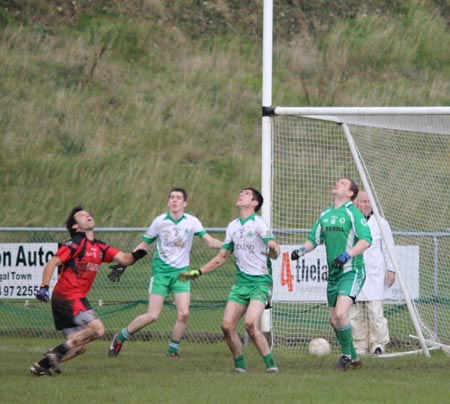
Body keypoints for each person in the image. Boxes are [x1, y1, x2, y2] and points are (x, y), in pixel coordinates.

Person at [30, 205, 147, 376]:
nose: (87, 215)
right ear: (75, 226)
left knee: (79, 347)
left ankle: (41, 366)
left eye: (88, 214)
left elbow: (124, 258)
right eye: (81, 215)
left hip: (70, 298)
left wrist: (140, 250)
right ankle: (54, 353)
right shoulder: (75, 243)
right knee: (98, 330)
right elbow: (53, 262)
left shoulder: (99, 246)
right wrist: (44, 287)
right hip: (68, 296)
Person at [109, 187, 222, 358]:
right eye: (172, 197)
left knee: (184, 313)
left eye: (178, 198)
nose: (174, 200)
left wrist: (229, 244)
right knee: (153, 315)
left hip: (183, 274)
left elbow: (210, 241)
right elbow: (144, 245)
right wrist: (126, 261)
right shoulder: (159, 221)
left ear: (185, 203)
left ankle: (172, 351)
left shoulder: (191, 222)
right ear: (168, 202)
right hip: (161, 273)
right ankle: (121, 337)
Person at [179, 187, 281, 373]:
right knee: (226, 327)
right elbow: (221, 257)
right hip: (241, 284)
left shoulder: (258, 223)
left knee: (250, 324)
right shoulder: (233, 226)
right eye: (240, 192)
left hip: (260, 283)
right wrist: (196, 273)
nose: (241, 194)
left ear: (254, 203)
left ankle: (271, 366)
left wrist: (273, 249)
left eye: (246, 194)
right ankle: (240, 367)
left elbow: (273, 245)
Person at [290, 177, 372, 371]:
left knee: (342, 313)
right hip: (333, 275)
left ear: (350, 193)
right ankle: (354, 358)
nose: (337, 183)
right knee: (334, 320)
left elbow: (366, 240)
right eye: (337, 182)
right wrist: (301, 250)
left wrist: (347, 255)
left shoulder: (353, 213)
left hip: (351, 271)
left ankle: (344, 357)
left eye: (343, 183)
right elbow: (314, 239)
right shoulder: (325, 215)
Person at [349, 190, 396, 355]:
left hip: (375, 275)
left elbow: (388, 247)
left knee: (375, 312)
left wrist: (391, 269)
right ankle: (359, 345)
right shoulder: (351, 221)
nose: (366, 204)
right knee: (355, 313)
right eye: (363, 201)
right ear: (356, 203)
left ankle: (378, 343)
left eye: (369, 201)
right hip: (355, 273)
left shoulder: (381, 223)